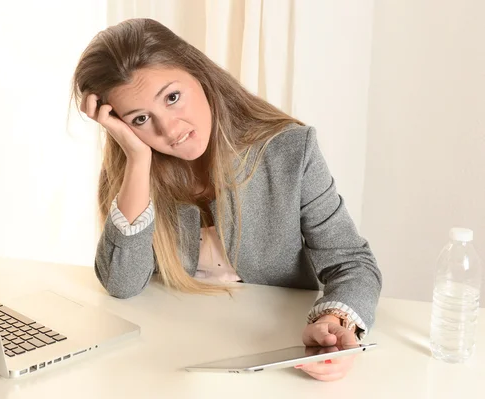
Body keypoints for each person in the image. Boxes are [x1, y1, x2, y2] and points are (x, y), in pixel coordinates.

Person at [70, 18, 382, 382]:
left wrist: (333, 323)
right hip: (170, 358)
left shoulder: (289, 151)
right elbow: (121, 283)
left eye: (172, 97)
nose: (169, 130)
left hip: (275, 358)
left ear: (198, 73)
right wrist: (137, 161)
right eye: (140, 118)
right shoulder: (137, 166)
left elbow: (352, 262)